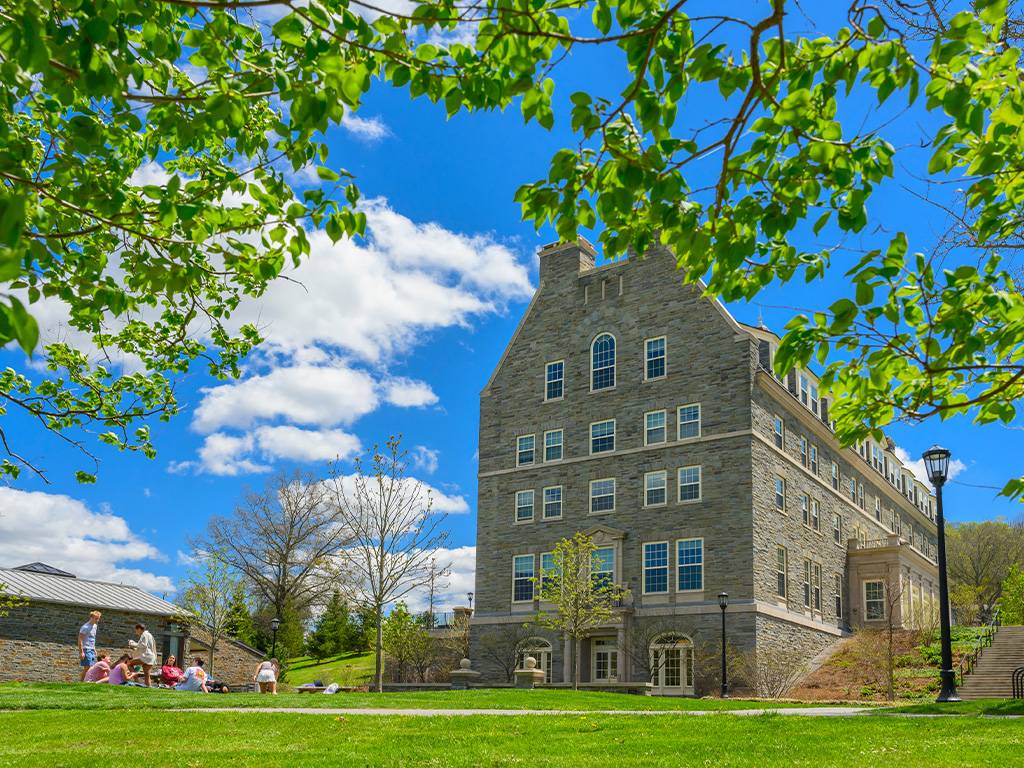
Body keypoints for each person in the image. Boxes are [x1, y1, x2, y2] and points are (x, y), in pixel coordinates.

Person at [127, 622, 157, 687]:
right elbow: (143, 648)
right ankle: (148, 687)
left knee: (129, 663)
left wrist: (132, 644)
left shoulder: (144, 634)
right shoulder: (149, 635)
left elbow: (143, 645)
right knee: (147, 674)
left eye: (136, 630)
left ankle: (137, 682)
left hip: (147, 656)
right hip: (151, 657)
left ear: (139, 629)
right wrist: (134, 646)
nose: (136, 632)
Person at [77, 610, 101, 681]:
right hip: (86, 649)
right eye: (96, 618)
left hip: (92, 649)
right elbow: (80, 639)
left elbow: (92, 639)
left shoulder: (95, 626)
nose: (97, 620)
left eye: (98, 618)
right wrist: (81, 652)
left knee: (92, 667)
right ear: (91, 617)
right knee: (87, 667)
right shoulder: (85, 627)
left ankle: (88, 681)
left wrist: (94, 649)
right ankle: (81, 682)